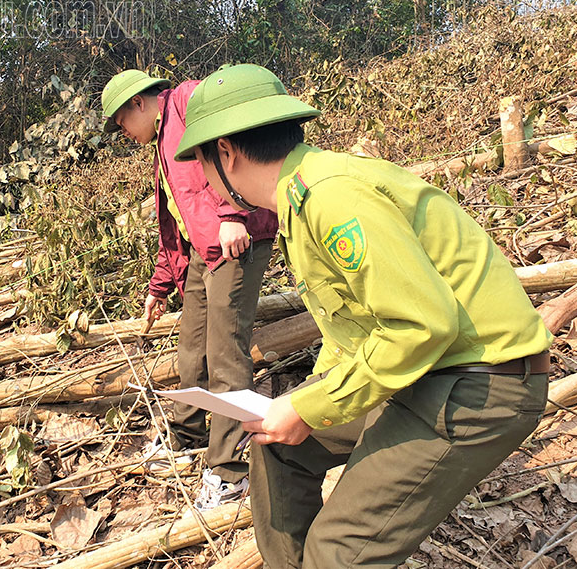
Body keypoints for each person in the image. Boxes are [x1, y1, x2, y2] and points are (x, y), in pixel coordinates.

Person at [173, 63, 552, 567]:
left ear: (226, 151)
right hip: (426, 372)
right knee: (277, 445)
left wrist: (311, 407)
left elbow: (422, 324)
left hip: (479, 383)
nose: (203, 179)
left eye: (200, 161)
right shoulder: (303, 196)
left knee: (340, 551)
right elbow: (353, 327)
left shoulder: (330, 196)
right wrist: (307, 399)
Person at [100, 69, 278, 510]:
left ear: (140, 102)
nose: (124, 133)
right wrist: (159, 287)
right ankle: (187, 433)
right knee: (191, 347)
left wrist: (231, 212)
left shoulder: (189, 101)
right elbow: (175, 222)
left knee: (225, 354)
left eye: (122, 122)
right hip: (203, 251)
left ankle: (231, 470)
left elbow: (232, 146)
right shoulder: (161, 145)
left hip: (238, 239)